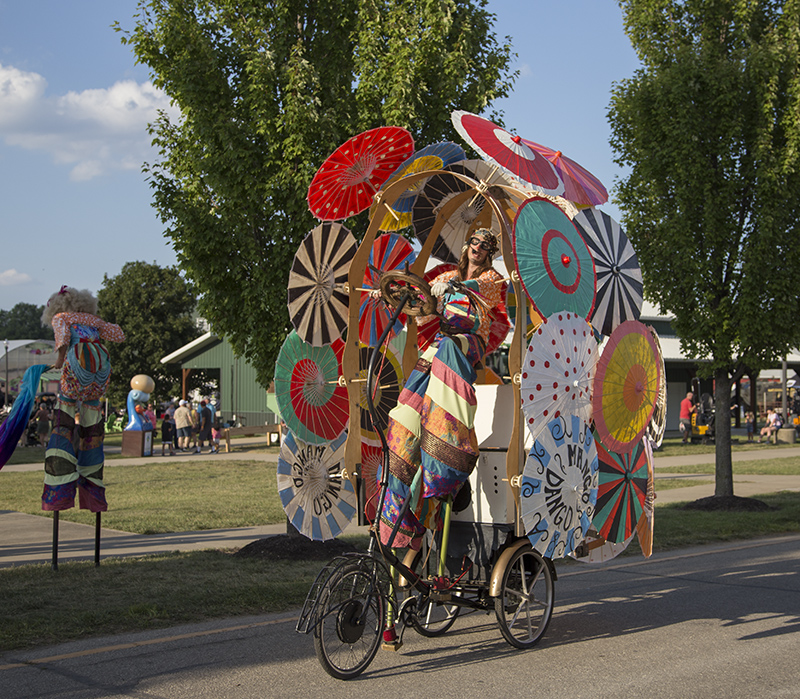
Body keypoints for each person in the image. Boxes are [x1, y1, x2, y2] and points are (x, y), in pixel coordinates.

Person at [377, 228, 507, 549]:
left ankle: (446, 465)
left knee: (448, 350)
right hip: (443, 340)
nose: (479, 248)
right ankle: (399, 514)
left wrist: (452, 286)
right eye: (475, 242)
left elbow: (478, 292)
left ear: (489, 253)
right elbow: (423, 303)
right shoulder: (448, 273)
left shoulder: (492, 278)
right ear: (467, 246)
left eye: (485, 245)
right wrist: (391, 296)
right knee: (403, 410)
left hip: (466, 342)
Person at [40, 286, 125, 512]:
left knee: (65, 415)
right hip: (98, 377)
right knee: (92, 423)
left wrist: (59, 361)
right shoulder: (93, 320)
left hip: (77, 371)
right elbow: (118, 334)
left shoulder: (62, 317)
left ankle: (60, 492)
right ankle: (93, 491)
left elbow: (63, 339)